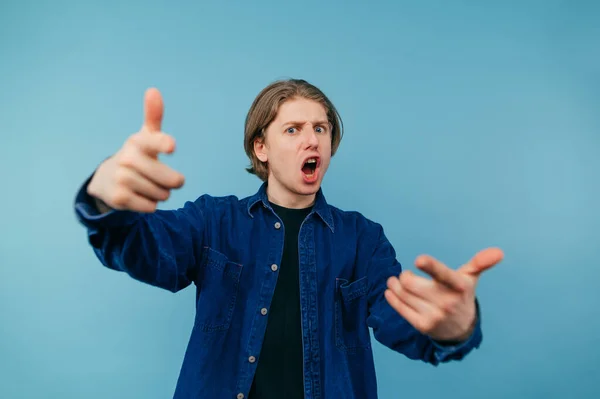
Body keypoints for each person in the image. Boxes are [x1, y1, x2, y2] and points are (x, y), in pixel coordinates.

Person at [73, 79, 504, 399]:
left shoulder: (363, 240)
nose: (312, 139)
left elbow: (401, 321)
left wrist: (455, 329)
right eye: (293, 129)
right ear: (261, 147)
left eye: (321, 128)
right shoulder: (213, 221)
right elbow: (145, 252)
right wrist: (105, 200)